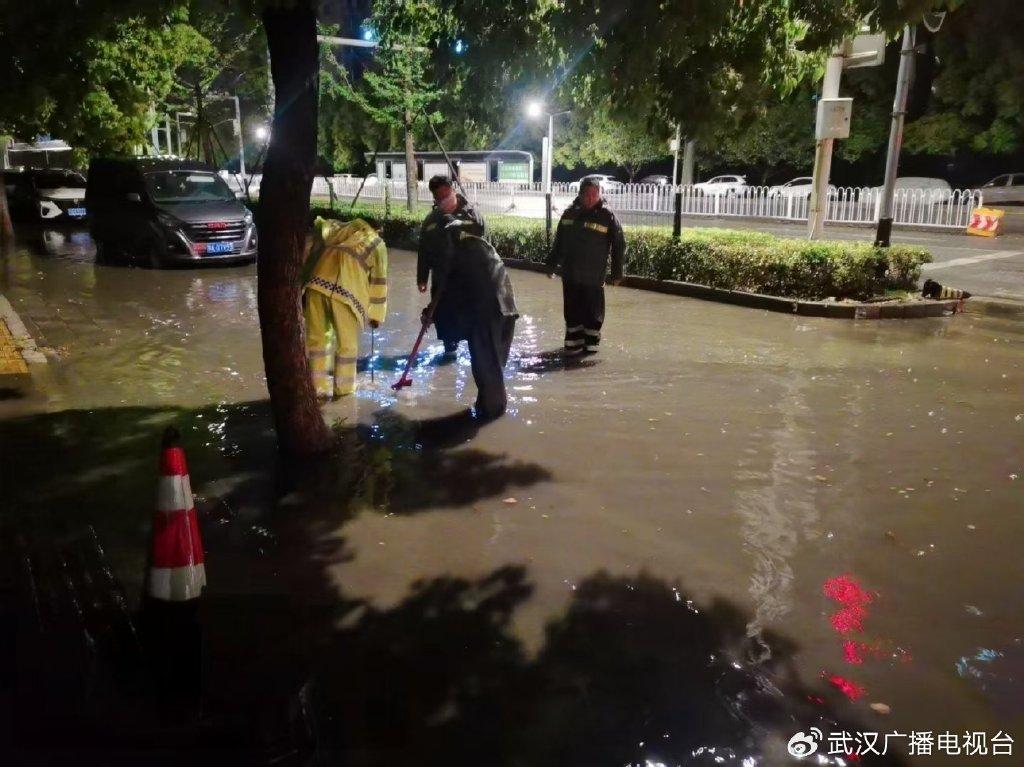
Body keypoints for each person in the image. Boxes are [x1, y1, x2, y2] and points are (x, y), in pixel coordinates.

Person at [420, 195, 518, 420]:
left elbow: (447, 291)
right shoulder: (478, 244)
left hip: (486, 314)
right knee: (492, 371)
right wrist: (431, 311)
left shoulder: (457, 254)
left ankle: (489, 416)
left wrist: (431, 313)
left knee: (487, 371)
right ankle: (488, 410)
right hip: (506, 311)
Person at [302, 216, 388, 398]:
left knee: (316, 341)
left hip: (315, 287)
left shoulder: (338, 231)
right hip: (346, 295)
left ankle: (316, 388)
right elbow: (379, 282)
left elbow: (309, 254)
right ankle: (344, 392)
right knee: (347, 346)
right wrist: (376, 315)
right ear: (377, 229)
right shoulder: (377, 244)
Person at [545, 178, 626, 354]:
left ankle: (591, 344)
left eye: (594, 195)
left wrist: (617, 273)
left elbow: (618, 246)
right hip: (571, 274)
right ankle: (573, 343)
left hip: (593, 276)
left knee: (592, 310)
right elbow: (559, 242)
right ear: (580, 194)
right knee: (572, 308)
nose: (590, 198)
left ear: (600, 194)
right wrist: (551, 265)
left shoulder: (607, 216)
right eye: (587, 195)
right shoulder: (569, 214)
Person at [417, 175, 487, 356]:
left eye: (446, 195)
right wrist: (422, 277)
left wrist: (460, 224)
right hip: (443, 280)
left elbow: (481, 229)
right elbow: (424, 250)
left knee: (475, 323)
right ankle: (450, 352)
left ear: (452, 190)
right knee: (446, 321)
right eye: (439, 197)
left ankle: (477, 353)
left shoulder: (470, 213)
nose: (444, 200)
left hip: (470, 278)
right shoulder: (431, 221)